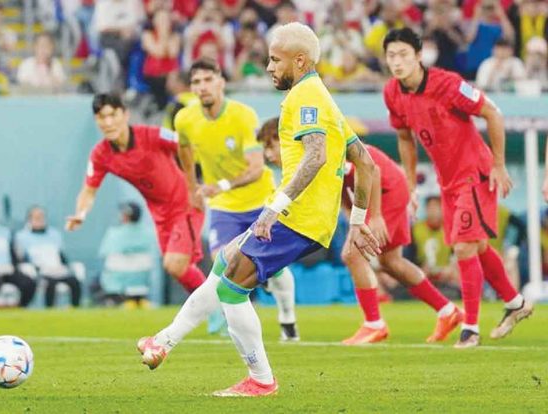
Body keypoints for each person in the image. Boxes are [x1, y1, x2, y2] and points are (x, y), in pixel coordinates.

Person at [137, 22, 380, 397]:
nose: (268, 67)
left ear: (299, 61)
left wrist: (273, 210)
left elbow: (315, 156)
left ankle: (261, 380)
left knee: (234, 287)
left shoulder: (307, 97)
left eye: (274, 59)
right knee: (224, 265)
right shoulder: (319, 95)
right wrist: (359, 222)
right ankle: (163, 341)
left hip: (297, 217)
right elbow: (365, 162)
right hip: (302, 216)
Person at [383, 27, 533, 348]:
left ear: (419, 56)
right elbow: (404, 137)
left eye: (403, 55)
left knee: (464, 247)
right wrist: (410, 181)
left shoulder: (447, 84)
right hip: (448, 180)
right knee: (475, 247)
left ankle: (471, 329)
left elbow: (492, 112)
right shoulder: (392, 94)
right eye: (391, 56)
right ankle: (515, 303)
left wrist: (498, 164)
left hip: (476, 174)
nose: (397, 62)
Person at [257, 117, 463, 345]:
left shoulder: (318, 145)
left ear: (282, 138)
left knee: (351, 254)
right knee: (391, 262)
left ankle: (374, 324)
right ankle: (447, 311)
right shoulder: (305, 154)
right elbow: (344, 186)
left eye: (269, 146)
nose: (267, 155)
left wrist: (375, 216)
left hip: (386, 190)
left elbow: (370, 170)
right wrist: (350, 212)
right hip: (387, 189)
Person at [175, 58, 299, 341]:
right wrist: (192, 187)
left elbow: (256, 168)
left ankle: (288, 321)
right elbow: (184, 149)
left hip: (260, 202)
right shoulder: (185, 118)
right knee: (224, 264)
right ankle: (234, 330)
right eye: (196, 82)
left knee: (277, 271)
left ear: (221, 82)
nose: (202, 87)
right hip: (224, 207)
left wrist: (220, 184)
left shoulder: (243, 115)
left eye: (208, 80)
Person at [66, 93, 206, 294]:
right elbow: (88, 191)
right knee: (179, 269)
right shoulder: (101, 155)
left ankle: (217, 306)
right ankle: (215, 303)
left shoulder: (151, 135)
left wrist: (194, 186)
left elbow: (186, 145)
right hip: (160, 215)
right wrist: (81, 214)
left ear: (125, 115)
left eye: (113, 115)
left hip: (186, 204)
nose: (108, 122)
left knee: (174, 264)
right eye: (101, 117)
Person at [16, 206, 82, 308]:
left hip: (57, 268)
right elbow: (22, 258)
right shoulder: (22, 237)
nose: (40, 220)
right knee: (51, 284)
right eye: (36, 217)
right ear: (29, 220)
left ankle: (75, 309)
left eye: (41, 217)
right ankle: (50, 310)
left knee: (74, 282)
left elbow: (61, 255)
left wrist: (65, 266)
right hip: (41, 271)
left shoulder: (54, 234)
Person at [98, 202, 157, 309]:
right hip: (141, 279)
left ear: (126, 216)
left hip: (116, 280)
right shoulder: (149, 233)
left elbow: (104, 253)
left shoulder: (113, 233)